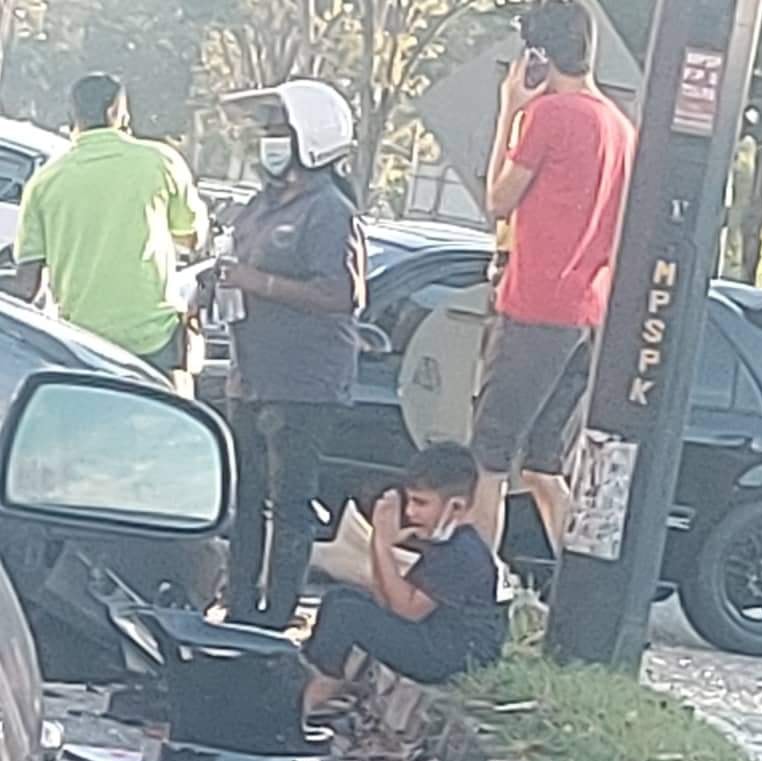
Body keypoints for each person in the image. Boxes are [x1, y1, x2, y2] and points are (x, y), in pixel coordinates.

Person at [472, 0, 636, 553]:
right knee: (544, 463)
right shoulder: (620, 127)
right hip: (586, 309)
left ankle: (473, 586)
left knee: (490, 458)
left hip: (533, 303)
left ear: (538, 57)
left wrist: (510, 110)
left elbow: (498, 200)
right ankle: (578, 574)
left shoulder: (551, 116)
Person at [220, 79, 366, 631]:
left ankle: (277, 613)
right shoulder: (260, 204)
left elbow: (341, 294)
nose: (268, 141)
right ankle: (238, 604)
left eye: (279, 130)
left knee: (290, 504)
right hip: (250, 375)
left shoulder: (329, 211)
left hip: (303, 384)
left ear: (311, 137)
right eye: (266, 130)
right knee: (246, 497)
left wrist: (258, 282)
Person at [13, 72, 208, 376]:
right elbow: (192, 238)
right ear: (116, 111)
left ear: (73, 114)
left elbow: (27, 285)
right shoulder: (160, 162)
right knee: (172, 406)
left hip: (82, 345)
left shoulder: (44, 182)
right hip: (155, 340)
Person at [302, 442, 508, 715]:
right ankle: (316, 675)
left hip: (455, 654)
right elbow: (386, 597)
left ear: (455, 507)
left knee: (346, 615)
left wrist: (382, 543)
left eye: (421, 503)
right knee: (340, 598)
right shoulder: (443, 544)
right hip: (437, 636)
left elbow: (406, 610)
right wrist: (379, 544)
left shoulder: (462, 551)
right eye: (410, 501)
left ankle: (317, 692)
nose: (410, 512)